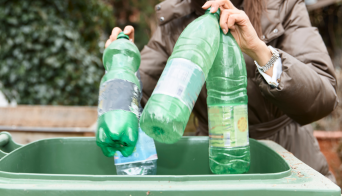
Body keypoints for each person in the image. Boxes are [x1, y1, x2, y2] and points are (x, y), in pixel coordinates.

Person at [105, 0, 338, 181]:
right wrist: (123, 66)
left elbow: (323, 99)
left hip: (287, 162)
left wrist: (260, 51)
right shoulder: (176, 19)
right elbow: (140, 103)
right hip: (215, 165)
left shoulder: (282, 6)